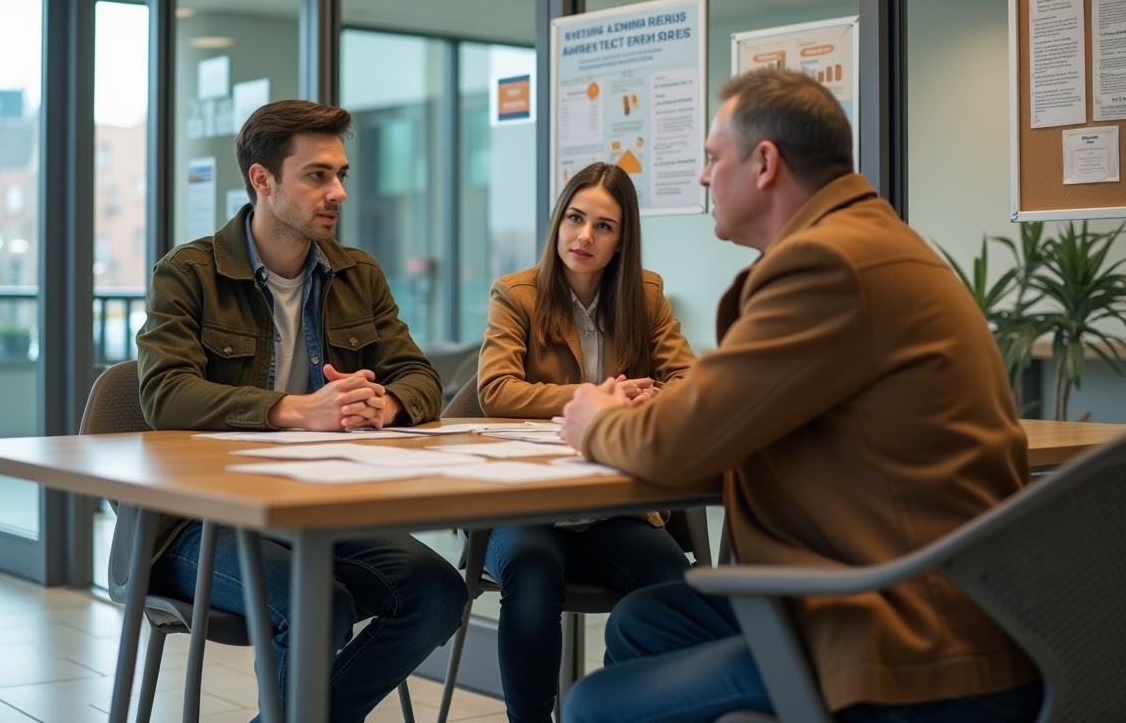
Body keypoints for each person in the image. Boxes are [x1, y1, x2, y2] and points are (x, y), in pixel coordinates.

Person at [557, 70, 1043, 723]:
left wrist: (596, 420)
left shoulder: (828, 265)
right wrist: (671, 418)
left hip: (912, 643)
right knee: (651, 619)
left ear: (764, 163)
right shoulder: (868, 244)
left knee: (595, 703)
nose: (702, 178)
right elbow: (721, 417)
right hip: (929, 598)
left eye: (711, 158)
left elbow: (676, 444)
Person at [129, 99, 467, 723]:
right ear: (263, 180)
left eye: (341, 174)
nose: (337, 191)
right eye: (317, 175)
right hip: (196, 520)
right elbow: (163, 395)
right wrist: (290, 410)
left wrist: (385, 401)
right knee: (320, 604)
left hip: (315, 509)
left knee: (437, 591)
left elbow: (421, 378)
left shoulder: (357, 274)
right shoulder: (188, 273)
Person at [477, 162, 697, 723]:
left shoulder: (645, 297)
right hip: (526, 500)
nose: (584, 237)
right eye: (575, 218)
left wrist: (648, 404)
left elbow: (689, 383)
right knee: (529, 576)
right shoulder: (517, 294)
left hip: (610, 506)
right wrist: (597, 398)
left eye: (604, 226)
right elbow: (496, 390)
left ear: (623, 240)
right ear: (557, 222)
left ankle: (615, 710)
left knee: (669, 573)